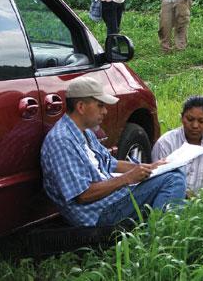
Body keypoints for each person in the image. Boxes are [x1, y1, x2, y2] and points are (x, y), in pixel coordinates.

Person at [41, 76, 186, 227]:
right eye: (100, 105)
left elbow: (110, 163)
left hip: (112, 201)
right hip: (99, 214)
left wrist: (151, 167)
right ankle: (159, 237)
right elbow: (82, 195)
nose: (104, 111)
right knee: (173, 180)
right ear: (81, 107)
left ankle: (159, 232)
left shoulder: (85, 132)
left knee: (174, 173)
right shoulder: (62, 141)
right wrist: (127, 178)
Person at [152, 96, 203, 195]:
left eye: (201, 121)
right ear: (182, 118)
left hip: (198, 205)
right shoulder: (165, 143)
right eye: (190, 119)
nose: (195, 126)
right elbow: (156, 186)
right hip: (168, 201)